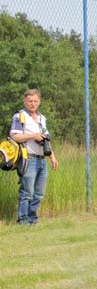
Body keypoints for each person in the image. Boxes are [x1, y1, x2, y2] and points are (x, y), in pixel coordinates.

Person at [9, 89, 59, 226]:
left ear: (39, 102)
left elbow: (46, 139)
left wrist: (52, 157)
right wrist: (32, 136)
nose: (33, 104)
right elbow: (14, 136)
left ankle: (33, 219)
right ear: (25, 102)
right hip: (28, 158)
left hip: (42, 159)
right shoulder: (20, 117)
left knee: (39, 193)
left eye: (35, 101)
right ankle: (23, 221)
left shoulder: (42, 118)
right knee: (27, 192)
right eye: (30, 101)